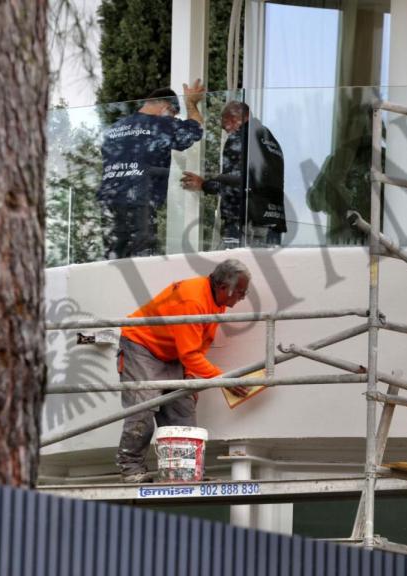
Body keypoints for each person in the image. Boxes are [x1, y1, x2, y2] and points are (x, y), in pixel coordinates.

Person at [115, 259, 251, 483]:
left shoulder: (216, 301)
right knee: (143, 408)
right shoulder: (193, 299)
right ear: (224, 287)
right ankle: (131, 470)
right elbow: (190, 354)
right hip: (142, 346)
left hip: (172, 354)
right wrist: (223, 380)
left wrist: (188, 375)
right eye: (241, 292)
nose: (241, 298)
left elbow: (198, 345)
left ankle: (184, 473)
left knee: (182, 410)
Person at [96, 81, 206, 259]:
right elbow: (195, 130)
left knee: (115, 262)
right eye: (173, 113)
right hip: (139, 204)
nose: (173, 118)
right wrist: (191, 104)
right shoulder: (159, 124)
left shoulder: (114, 129)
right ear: (165, 106)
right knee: (143, 263)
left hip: (109, 206)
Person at [181, 101, 287, 247]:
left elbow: (235, 182)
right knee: (263, 269)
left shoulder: (240, 138)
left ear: (233, 119)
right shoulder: (270, 140)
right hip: (273, 221)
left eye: (226, 127)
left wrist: (204, 184)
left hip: (244, 221)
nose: (227, 131)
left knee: (232, 268)